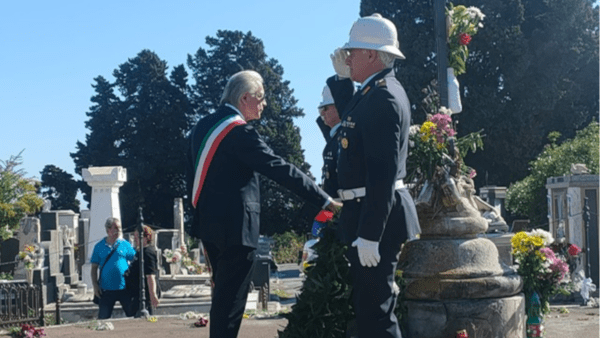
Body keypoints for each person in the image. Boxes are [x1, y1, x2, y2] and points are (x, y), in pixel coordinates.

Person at [186, 69, 342, 338]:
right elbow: (280, 169)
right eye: (260, 97)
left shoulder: (202, 127)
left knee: (221, 301)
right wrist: (325, 200)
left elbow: (191, 176)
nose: (264, 103)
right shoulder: (239, 132)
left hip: (209, 227)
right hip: (237, 231)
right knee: (231, 303)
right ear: (244, 98)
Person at [327, 14, 419, 338]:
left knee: (376, 314)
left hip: (375, 214)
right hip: (368, 211)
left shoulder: (383, 97)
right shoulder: (373, 91)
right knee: (369, 311)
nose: (347, 56)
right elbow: (351, 116)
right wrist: (341, 79)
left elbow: (383, 173)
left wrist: (370, 233)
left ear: (371, 55)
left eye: (353, 52)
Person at [91, 217, 136, 319]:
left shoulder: (125, 245)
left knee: (132, 315)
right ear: (108, 230)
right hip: (106, 289)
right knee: (103, 318)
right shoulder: (99, 246)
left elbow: (135, 260)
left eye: (119, 228)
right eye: (115, 228)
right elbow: (94, 268)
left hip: (124, 288)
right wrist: (95, 286)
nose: (118, 230)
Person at [127, 224, 160, 316]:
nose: (135, 239)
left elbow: (150, 275)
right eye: (135, 236)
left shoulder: (148, 252)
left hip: (145, 296)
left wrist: (153, 294)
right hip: (137, 293)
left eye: (138, 236)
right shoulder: (139, 252)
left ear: (146, 237)